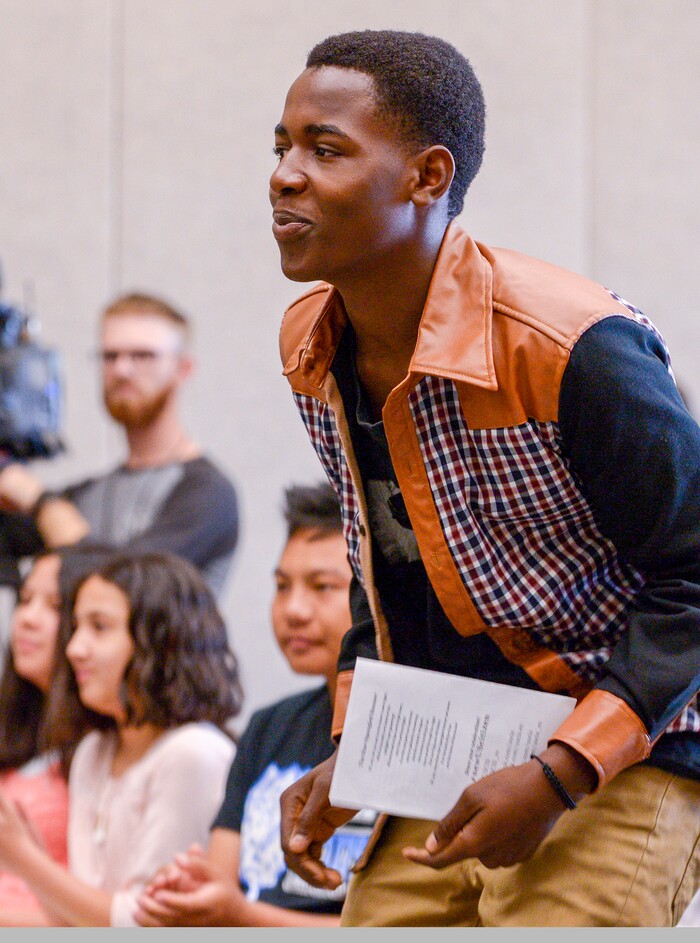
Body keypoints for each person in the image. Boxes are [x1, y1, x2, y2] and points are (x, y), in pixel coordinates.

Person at [270, 29, 700, 927]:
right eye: (282, 147)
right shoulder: (311, 341)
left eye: (326, 149)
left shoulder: (573, 347)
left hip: (624, 752)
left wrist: (559, 772)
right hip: (444, 760)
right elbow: (380, 566)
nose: (285, 175)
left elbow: (693, 578)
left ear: (427, 176)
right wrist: (356, 755)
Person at [133, 482, 375, 927]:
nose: (294, 609)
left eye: (322, 586)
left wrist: (241, 916)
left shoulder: (408, 733)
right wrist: (193, 888)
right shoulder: (268, 726)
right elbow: (223, 886)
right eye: (283, 586)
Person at [0, 551, 243, 926]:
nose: (74, 649)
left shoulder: (193, 752)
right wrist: (26, 851)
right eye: (76, 627)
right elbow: (72, 922)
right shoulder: (94, 751)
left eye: (99, 627)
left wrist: (25, 859)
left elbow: (149, 923)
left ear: (159, 641)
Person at [0, 291, 240, 600]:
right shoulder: (89, 493)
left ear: (183, 369)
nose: (122, 369)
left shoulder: (206, 493)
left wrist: (39, 500)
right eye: (110, 356)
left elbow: (123, 589)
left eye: (142, 356)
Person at [0, 547, 109, 926]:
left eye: (53, 606)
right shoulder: (16, 727)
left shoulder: (105, 744)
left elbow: (113, 917)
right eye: (25, 600)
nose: (26, 619)